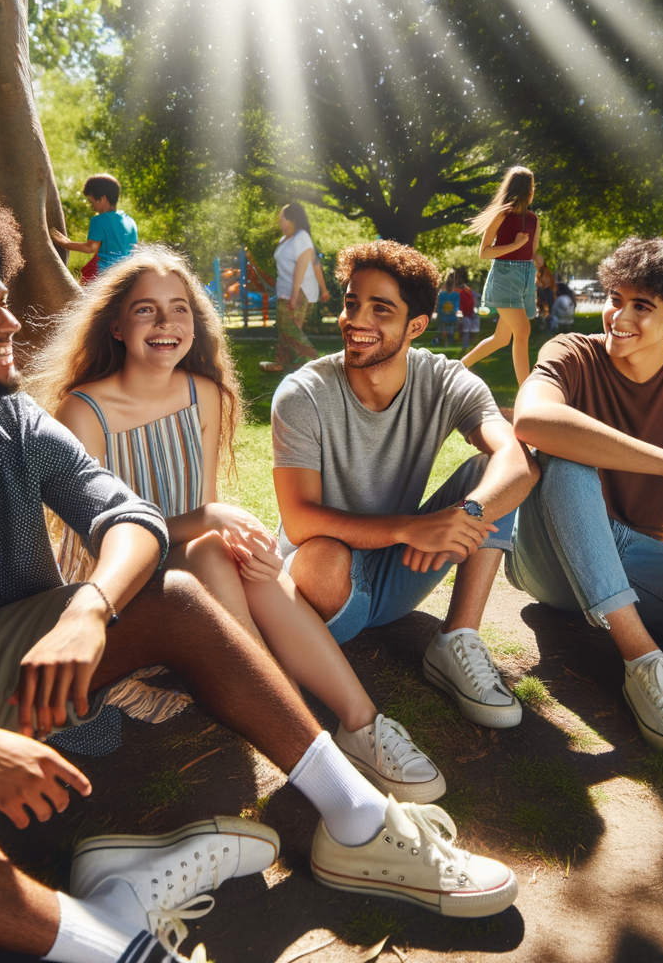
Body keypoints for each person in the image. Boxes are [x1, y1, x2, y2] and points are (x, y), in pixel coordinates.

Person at [0, 177, 517, 963]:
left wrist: (89, 608)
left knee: (175, 595)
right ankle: (118, 940)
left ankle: (360, 822)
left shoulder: (11, 421)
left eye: (3, 298)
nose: (10, 321)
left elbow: (125, 516)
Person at [33, 246, 448, 803]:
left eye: (179, 308)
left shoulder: (203, 393)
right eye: (145, 310)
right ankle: (295, 721)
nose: (165, 323)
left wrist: (226, 532)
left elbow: (200, 505)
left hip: (189, 559)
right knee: (210, 547)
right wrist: (210, 522)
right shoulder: (83, 410)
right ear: (115, 326)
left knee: (242, 556)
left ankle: (361, 724)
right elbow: (95, 537)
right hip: (114, 582)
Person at [508, 238, 663, 764]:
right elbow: (531, 421)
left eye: (641, 306)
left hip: (631, 555)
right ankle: (644, 662)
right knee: (569, 457)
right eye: (614, 298)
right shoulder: (570, 353)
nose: (618, 316)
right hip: (547, 551)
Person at [271, 240, 538, 731]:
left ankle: (457, 639)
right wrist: (407, 529)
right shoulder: (302, 393)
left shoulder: (446, 381)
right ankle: (314, 646)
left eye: (380, 309)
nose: (356, 320)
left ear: (416, 325)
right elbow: (300, 519)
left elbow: (517, 460)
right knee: (323, 553)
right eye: (352, 303)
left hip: (400, 574)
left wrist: (469, 515)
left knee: (490, 477)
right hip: (322, 588)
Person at [459, 167, 541, 385]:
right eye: (532, 187)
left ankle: (457, 369)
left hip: (524, 278)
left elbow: (531, 251)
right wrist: (513, 245)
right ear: (525, 190)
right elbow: (484, 252)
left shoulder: (534, 219)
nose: (533, 191)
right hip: (504, 277)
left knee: (501, 339)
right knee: (523, 331)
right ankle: (526, 393)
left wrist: (535, 262)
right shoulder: (501, 215)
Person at [261, 203, 331, 373]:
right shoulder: (285, 240)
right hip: (285, 290)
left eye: (282, 219)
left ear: (292, 220)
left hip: (299, 291)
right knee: (286, 329)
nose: (280, 223)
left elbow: (306, 265)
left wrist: (297, 294)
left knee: (289, 329)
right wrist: (324, 290)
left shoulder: (302, 237)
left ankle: (314, 360)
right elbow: (315, 263)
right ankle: (284, 363)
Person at [51, 174, 138, 282]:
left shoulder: (99, 220)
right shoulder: (130, 220)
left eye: (92, 202)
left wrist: (67, 244)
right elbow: (134, 249)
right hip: (127, 275)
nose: (92, 207)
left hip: (106, 275)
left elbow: (90, 247)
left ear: (102, 198)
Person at [454, 266, 480, 351]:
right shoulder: (468, 292)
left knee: (465, 329)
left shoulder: (463, 293)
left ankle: (465, 345)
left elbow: (464, 303)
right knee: (466, 329)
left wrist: (460, 310)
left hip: (467, 313)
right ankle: (466, 343)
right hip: (469, 312)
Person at [434, 271, 462, 347]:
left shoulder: (445, 294)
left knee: (447, 327)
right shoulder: (451, 294)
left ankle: (446, 340)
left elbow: (456, 306)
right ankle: (446, 340)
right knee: (446, 328)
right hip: (447, 316)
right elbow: (455, 307)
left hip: (447, 317)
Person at [535, 251, 557, 325]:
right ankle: (542, 319)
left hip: (547, 290)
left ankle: (550, 321)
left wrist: (539, 279)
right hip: (545, 291)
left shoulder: (545, 271)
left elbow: (545, 283)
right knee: (543, 305)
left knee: (550, 306)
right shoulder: (540, 272)